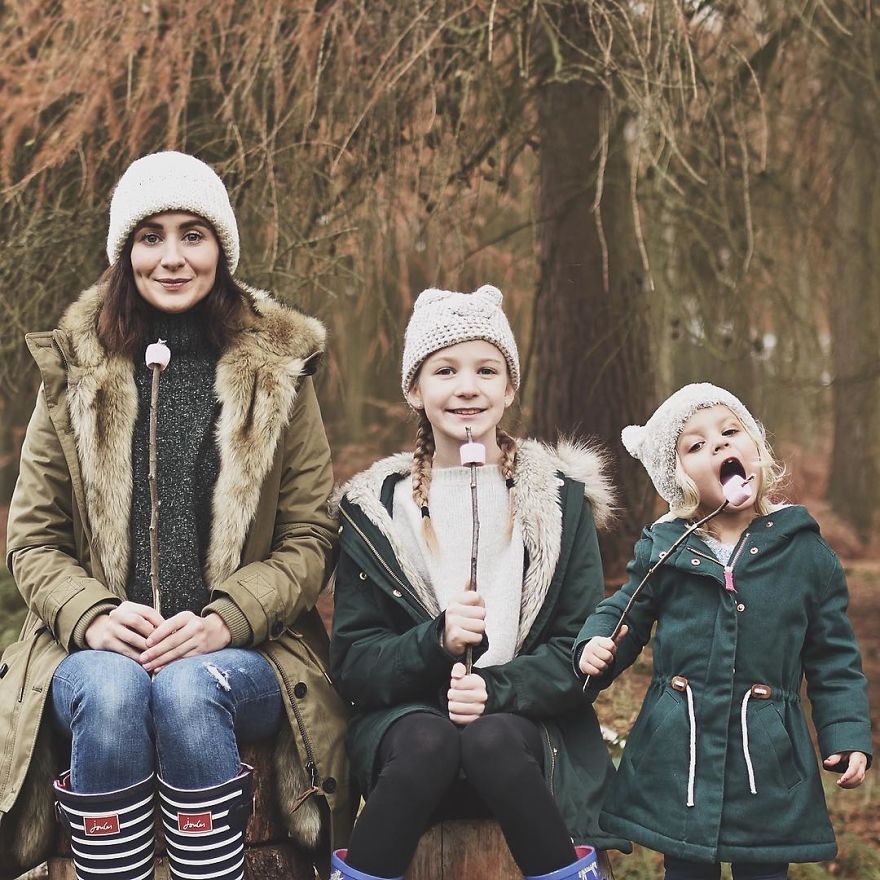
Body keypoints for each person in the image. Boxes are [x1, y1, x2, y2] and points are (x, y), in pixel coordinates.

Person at [0, 151, 352, 880]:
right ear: (124, 252)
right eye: (150, 235)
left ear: (220, 248)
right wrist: (94, 615)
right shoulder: (74, 370)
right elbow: (33, 541)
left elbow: (310, 537)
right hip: (88, 657)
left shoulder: (278, 371)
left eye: (192, 234)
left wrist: (224, 620)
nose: (171, 257)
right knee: (115, 688)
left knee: (192, 688)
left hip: (248, 653)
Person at [329, 284, 629, 880]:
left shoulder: (560, 505)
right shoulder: (376, 511)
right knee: (428, 743)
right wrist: (433, 644)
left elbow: (579, 653)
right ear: (415, 389)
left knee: (490, 739)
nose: (468, 387)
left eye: (487, 369)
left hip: (526, 743)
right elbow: (354, 664)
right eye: (445, 370)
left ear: (510, 387)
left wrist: (496, 691)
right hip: (407, 742)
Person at [575, 383, 872, 880]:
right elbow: (626, 607)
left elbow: (833, 659)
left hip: (767, 754)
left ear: (757, 448)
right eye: (695, 445)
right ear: (678, 481)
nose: (718, 444)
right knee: (687, 868)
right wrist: (597, 644)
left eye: (730, 431)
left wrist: (847, 732)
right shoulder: (667, 548)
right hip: (680, 747)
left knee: (763, 867)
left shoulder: (805, 554)